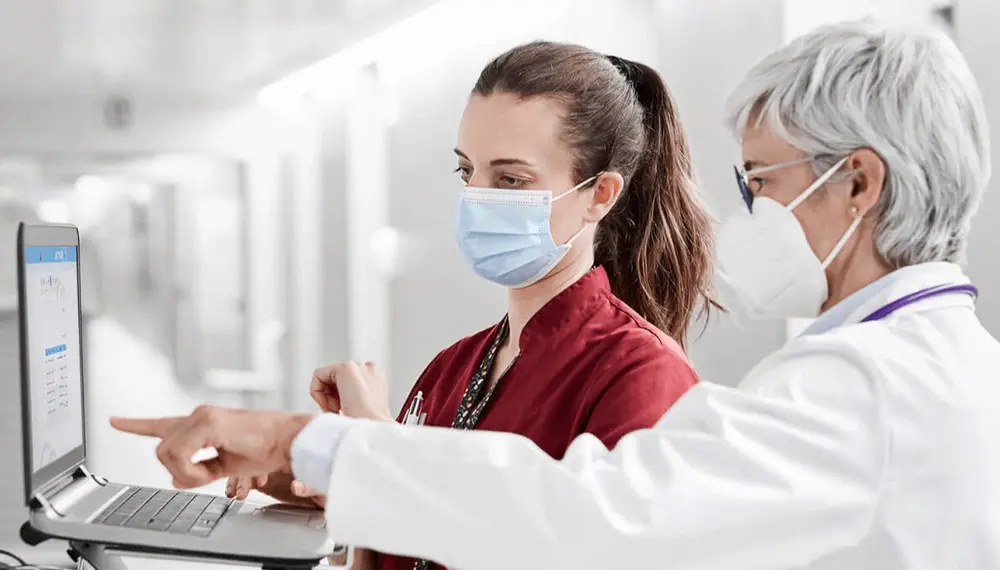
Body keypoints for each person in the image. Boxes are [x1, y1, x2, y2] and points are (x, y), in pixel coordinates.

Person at [112, 19, 1000, 570]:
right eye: (470, 172)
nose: (752, 211)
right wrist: (351, 470)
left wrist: (316, 444)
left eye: (763, 181)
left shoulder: (868, 388)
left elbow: (593, 517)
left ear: (858, 184)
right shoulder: (911, 366)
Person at [225, 41, 718, 570]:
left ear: (600, 195)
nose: (478, 198)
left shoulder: (642, 375)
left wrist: (375, 446)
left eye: (511, 180)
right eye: (468, 173)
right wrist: (336, 485)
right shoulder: (453, 368)